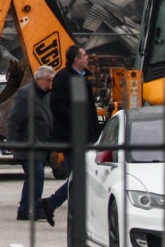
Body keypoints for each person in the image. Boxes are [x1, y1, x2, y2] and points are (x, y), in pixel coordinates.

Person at [40, 45, 101, 226]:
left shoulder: (83, 78)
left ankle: (51, 203)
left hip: (86, 137)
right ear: (76, 59)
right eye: (84, 55)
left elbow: (89, 109)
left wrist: (96, 133)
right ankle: (59, 206)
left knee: (81, 176)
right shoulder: (64, 77)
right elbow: (57, 105)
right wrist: (75, 121)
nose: (88, 57)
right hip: (70, 137)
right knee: (79, 177)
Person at [6, 65, 56, 222]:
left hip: (42, 144)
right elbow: (14, 120)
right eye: (48, 80)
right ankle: (32, 209)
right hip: (28, 143)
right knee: (37, 174)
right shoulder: (26, 94)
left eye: (52, 81)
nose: (50, 84)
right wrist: (11, 142)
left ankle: (27, 209)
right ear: (38, 79)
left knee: (34, 177)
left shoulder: (45, 95)